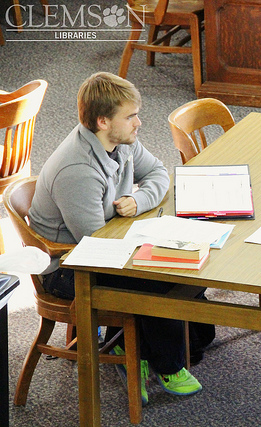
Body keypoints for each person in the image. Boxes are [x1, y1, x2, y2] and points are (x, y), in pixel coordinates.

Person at [29, 72, 207, 405]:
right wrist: (150, 250)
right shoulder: (77, 170)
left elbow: (157, 173)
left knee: (182, 258)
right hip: (67, 267)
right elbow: (97, 246)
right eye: (130, 116)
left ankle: (130, 344)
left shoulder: (120, 141)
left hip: (105, 244)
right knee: (157, 277)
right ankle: (166, 364)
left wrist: (138, 201)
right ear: (103, 121)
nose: (139, 123)